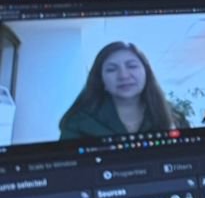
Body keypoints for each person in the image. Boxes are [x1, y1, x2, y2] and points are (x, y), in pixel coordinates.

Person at [59, 42, 190, 139]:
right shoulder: (78, 123)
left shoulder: (174, 117)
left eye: (132, 66)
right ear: (101, 80)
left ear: (146, 73)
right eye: (112, 69)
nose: (123, 75)